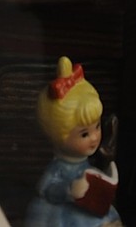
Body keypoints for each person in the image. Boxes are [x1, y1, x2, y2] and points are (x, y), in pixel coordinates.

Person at [26, 60, 120, 227]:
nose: (94, 138)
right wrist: (69, 190)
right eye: (84, 134)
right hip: (64, 215)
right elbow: (45, 187)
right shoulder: (58, 168)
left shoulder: (86, 162)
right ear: (59, 137)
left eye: (97, 127)